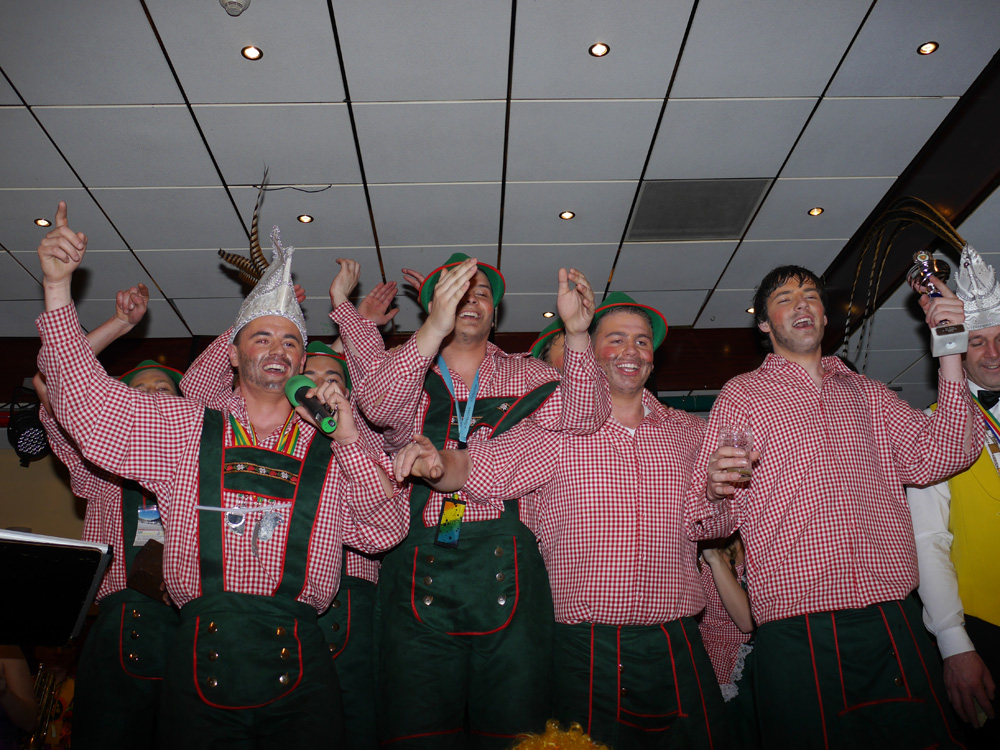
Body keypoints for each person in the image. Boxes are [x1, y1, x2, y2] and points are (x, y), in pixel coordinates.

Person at [35, 202, 407, 749]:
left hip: (304, 657)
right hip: (198, 653)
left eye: (290, 341)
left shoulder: (334, 446)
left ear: (302, 360)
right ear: (232, 353)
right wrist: (57, 288)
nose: (277, 349)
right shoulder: (186, 428)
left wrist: (350, 438)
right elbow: (88, 406)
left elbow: (385, 531)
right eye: (262, 337)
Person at [395, 292, 729, 749]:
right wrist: (437, 463)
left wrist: (715, 494)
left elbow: (714, 528)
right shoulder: (557, 431)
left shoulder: (691, 433)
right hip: (582, 646)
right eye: (616, 339)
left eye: (642, 342)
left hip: (677, 639)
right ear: (588, 354)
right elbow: (477, 467)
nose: (632, 351)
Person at [684, 264, 981, 749]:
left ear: (824, 316)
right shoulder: (742, 395)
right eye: (784, 298)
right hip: (797, 626)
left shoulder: (869, 394)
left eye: (810, 295)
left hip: (891, 617)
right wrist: (715, 492)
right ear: (765, 324)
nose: (801, 303)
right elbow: (703, 520)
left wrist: (950, 346)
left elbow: (946, 454)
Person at [336, 252, 608, 747]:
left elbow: (585, 418)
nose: (471, 300)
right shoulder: (405, 369)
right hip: (413, 564)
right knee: (416, 732)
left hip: (509, 567)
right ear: (435, 306)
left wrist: (576, 334)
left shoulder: (530, 375)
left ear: (494, 314)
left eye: (482, 294)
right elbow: (377, 405)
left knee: (515, 734)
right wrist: (432, 329)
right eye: (458, 293)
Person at [33, 284, 181, 750]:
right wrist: (118, 324)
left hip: (190, 627)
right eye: (140, 390)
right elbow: (52, 378)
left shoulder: (199, 470)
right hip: (120, 627)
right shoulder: (98, 470)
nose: (153, 396)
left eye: (164, 389)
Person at [906, 244, 999, 748]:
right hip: (985, 632)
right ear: (959, 349)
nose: (993, 353)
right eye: (977, 341)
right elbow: (928, 541)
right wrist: (954, 642)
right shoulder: (931, 431)